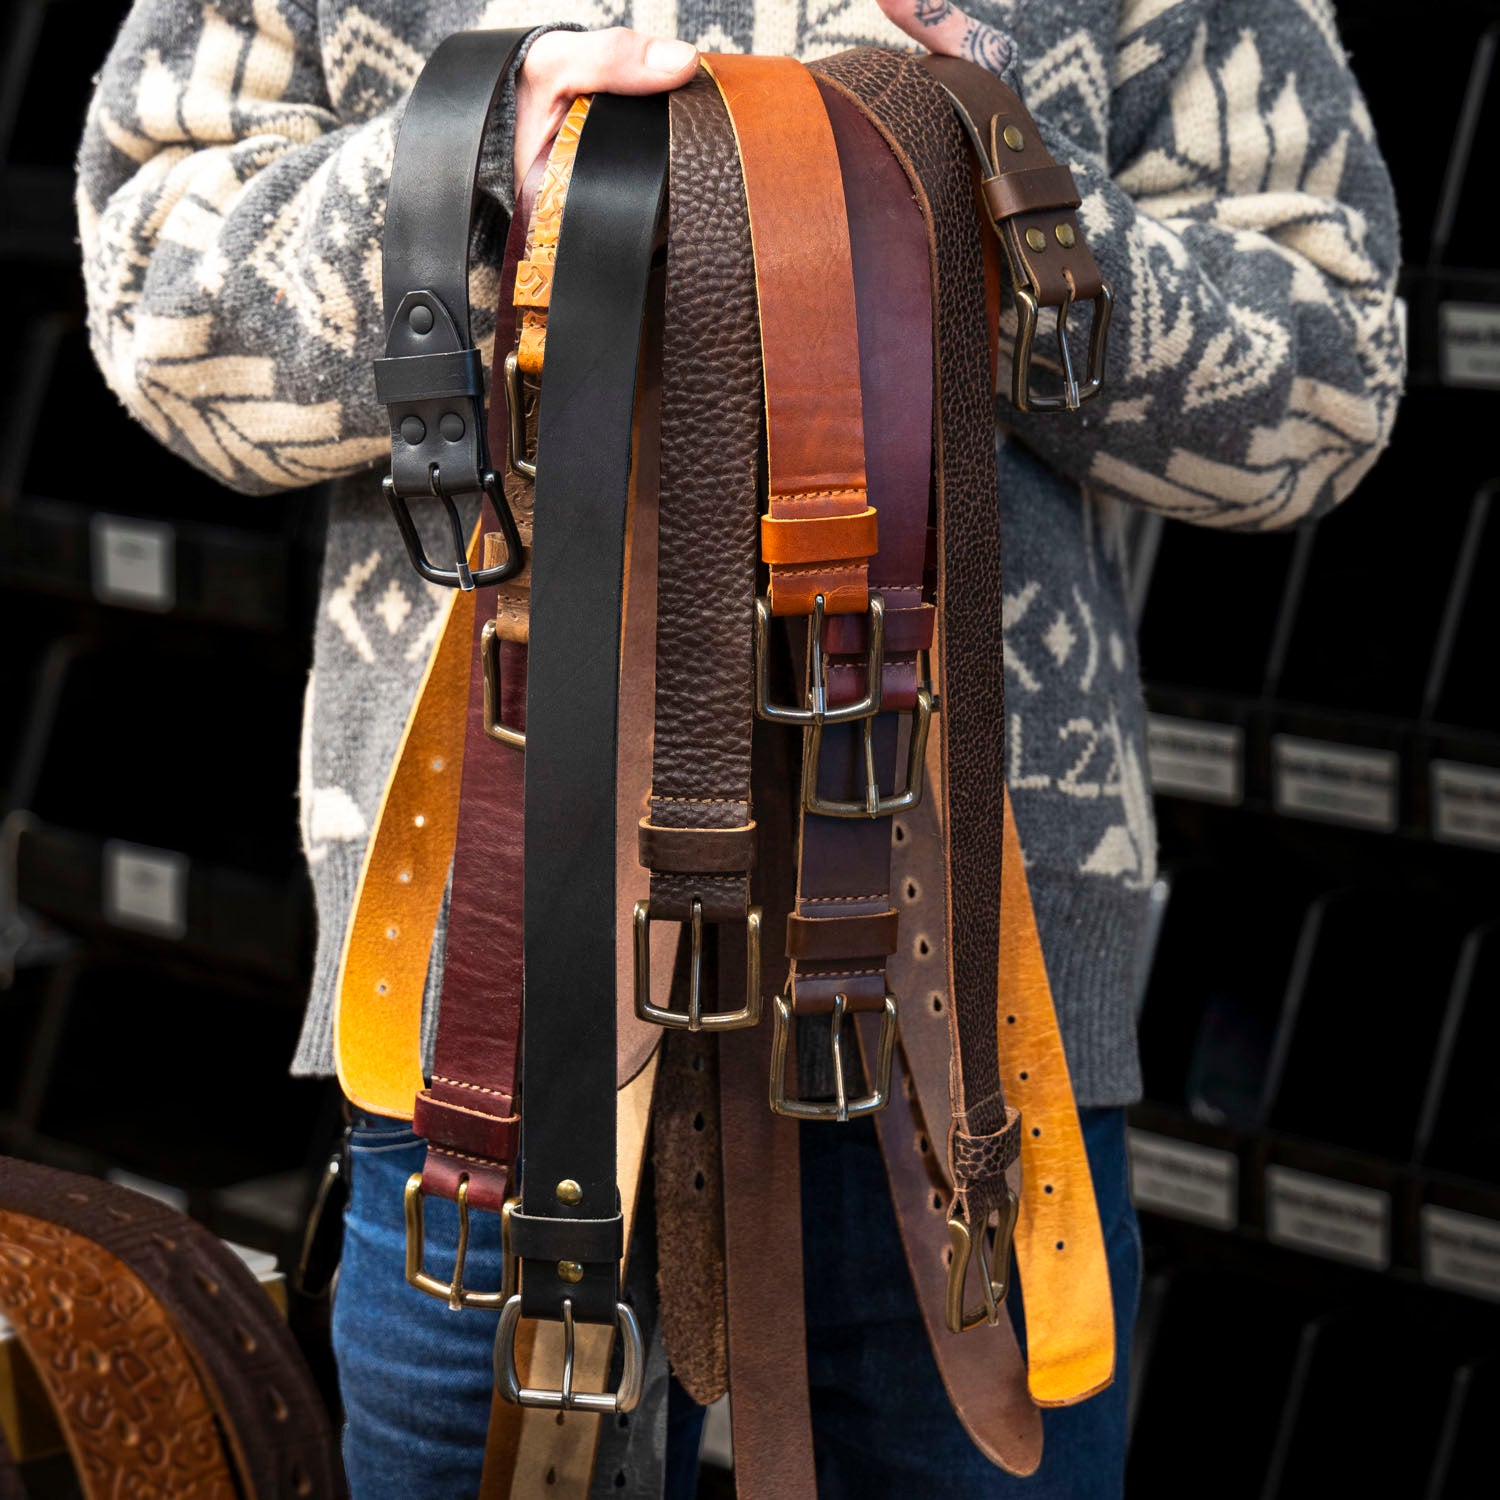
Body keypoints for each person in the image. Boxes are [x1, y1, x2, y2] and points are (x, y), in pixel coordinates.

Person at [79, 1, 1402, 1495]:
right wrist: (469, 187)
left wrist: (985, 210)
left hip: (970, 1029)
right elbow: (147, 296)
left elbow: (1335, 374)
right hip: (490, 1015)